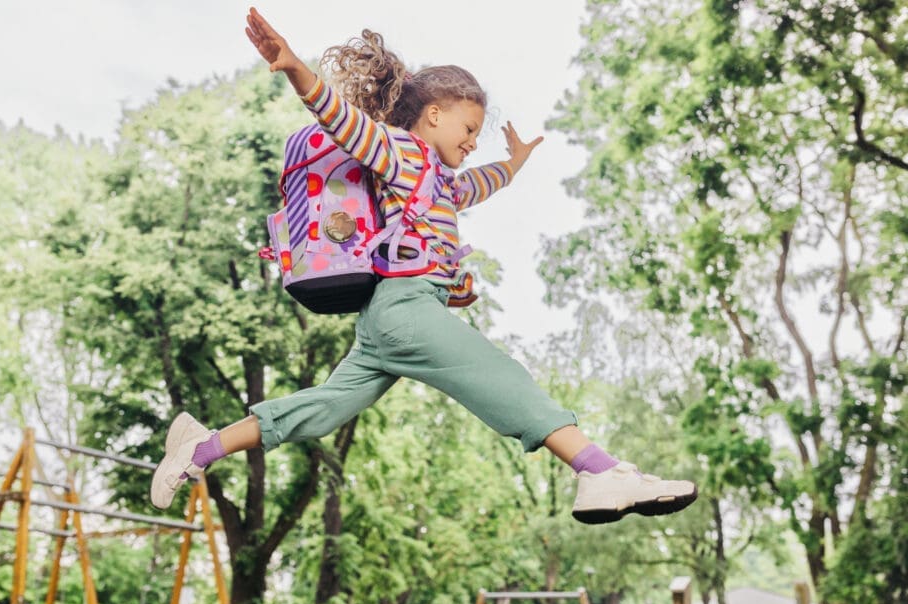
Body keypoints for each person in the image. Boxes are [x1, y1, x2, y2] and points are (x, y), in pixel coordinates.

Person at [150, 7, 698, 524]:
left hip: (388, 320)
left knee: (323, 410)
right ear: (434, 114)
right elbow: (343, 121)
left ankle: (204, 445)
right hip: (406, 308)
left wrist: (512, 163)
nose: (472, 140)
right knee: (498, 375)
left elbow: (480, 185)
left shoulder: (440, 181)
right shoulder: (401, 152)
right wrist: (297, 69)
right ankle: (599, 471)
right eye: (468, 128)